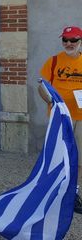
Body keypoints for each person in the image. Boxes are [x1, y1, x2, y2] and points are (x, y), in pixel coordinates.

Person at [39, 25, 82, 214]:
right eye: (65, 39)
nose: (69, 43)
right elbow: (41, 86)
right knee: (59, 157)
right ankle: (57, 192)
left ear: (80, 42)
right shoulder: (54, 61)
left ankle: (75, 193)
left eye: (73, 40)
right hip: (59, 117)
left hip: (80, 117)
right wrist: (51, 101)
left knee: (78, 158)